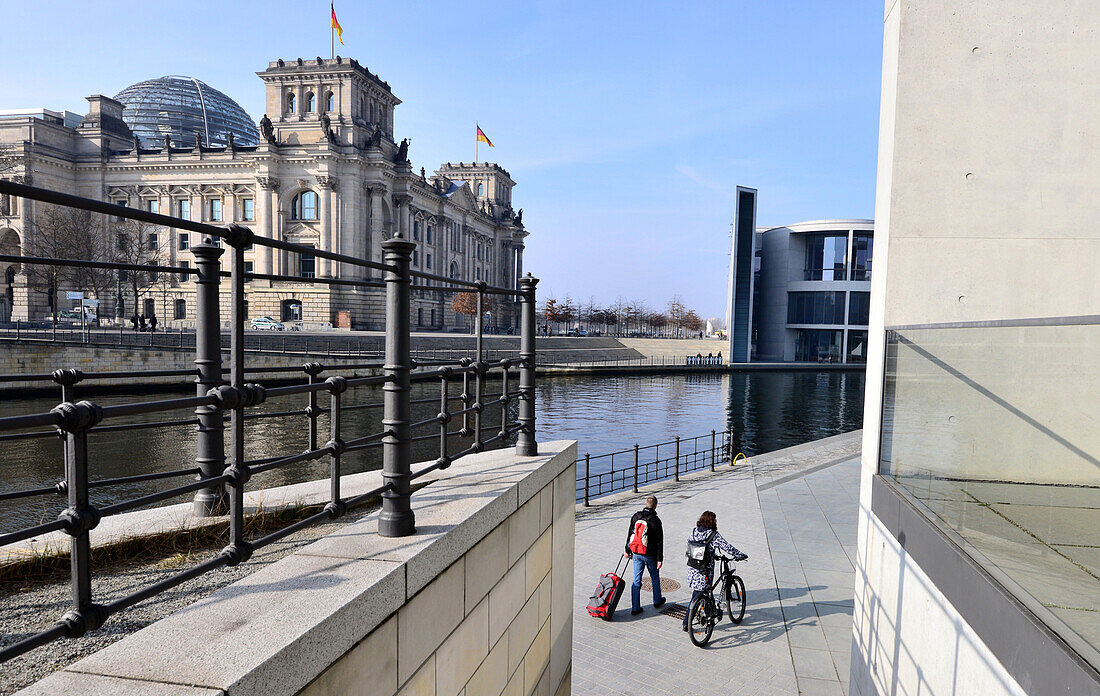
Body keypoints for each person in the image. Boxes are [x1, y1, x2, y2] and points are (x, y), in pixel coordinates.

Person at [683, 510, 747, 631]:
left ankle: (689, 621)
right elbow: (727, 547)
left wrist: (711, 555)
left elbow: (691, 547)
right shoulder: (713, 535)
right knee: (704, 593)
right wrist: (740, 555)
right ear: (711, 521)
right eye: (715, 519)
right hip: (705, 570)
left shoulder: (694, 531)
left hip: (693, 568)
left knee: (698, 593)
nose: (716, 521)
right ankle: (700, 621)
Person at [623, 495, 666, 615]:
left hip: (636, 552)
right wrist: (659, 559)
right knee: (654, 577)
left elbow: (630, 533)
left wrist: (627, 550)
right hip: (650, 555)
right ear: (656, 506)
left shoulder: (636, 516)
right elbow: (659, 541)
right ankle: (657, 600)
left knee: (636, 580)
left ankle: (635, 607)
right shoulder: (655, 520)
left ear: (645, 503)